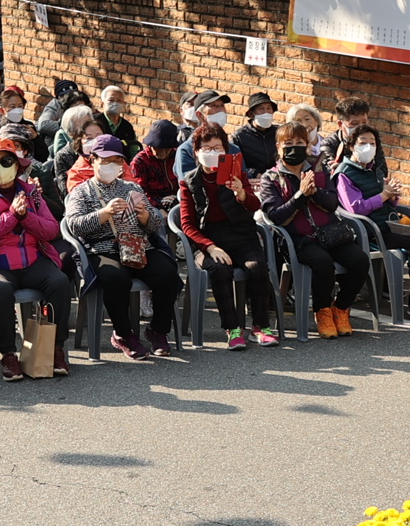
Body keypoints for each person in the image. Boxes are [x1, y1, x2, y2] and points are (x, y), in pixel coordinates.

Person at [0, 136, 75, 381]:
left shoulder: (31, 192)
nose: (0, 168)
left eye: (6, 161)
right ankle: (8, 354)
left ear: (17, 164)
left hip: (32, 260)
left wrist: (25, 217)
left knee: (60, 281)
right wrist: (11, 216)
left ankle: (55, 348)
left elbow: (51, 229)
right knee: (0, 290)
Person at [67, 134, 184, 357]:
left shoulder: (133, 188)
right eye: (105, 161)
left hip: (137, 246)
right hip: (103, 249)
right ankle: (122, 333)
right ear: (93, 161)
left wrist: (144, 217)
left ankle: (158, 330)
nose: (111, 166)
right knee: (115, 278)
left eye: (117, 161)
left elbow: (156, 224)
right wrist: (104, 213)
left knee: (167, 272)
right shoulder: (81, 192)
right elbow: (74, 226)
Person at [336, 123, 410, 325]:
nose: (368, 147)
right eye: (363, 142)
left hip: (390, 225)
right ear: (352, 146)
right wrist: (382, 196)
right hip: (371, 232)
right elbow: (354, 209)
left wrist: (392, 196)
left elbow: (386, 200)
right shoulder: (344, 173)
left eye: (372, 143)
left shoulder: (376, 169)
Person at [178, 121, 280, 347]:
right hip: (209, 240)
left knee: (257, 266)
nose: (213, 153)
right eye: (207, 148)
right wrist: (209, 247)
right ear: (196, 152)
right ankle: (232, 329)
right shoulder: (189, 182)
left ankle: (260, 326)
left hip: (242, 235)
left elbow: (254, 206)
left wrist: (242, 192)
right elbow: (188, 225)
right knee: (220, 270)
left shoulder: (237, 173)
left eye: (218, 148)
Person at [257, 130, 368, 335]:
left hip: (330, 233)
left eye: (299, 142)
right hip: (297, 239)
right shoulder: (270, 177)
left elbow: (333, 203)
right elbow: (275, 216)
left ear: (307, 146)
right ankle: (322, 311)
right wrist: (300, 195)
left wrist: (315, 191)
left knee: (359, 260)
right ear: (279, 147)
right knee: (322, 262)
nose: (294, 146)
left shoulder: (319, 170)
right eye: (288, 142)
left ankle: (341, 307)